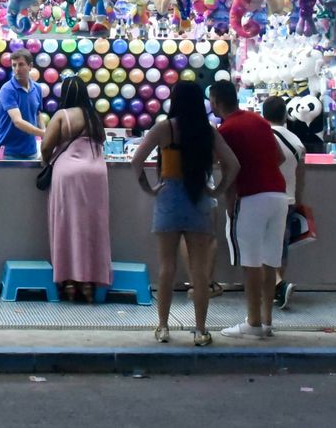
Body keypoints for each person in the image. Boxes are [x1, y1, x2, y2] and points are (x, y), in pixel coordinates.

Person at [131, 81, 239, 346]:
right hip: (198, 199)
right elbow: (233, 164)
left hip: (168, 198)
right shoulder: (207, 130)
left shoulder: (164, 128)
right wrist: (217, 190)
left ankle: (163, 327)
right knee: (199, 270)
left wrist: (149, 188)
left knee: (166, 267)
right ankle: (200, 331)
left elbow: (137, 160)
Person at [210, 80, 286, 340]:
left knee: (250, 262)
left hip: (251, 197)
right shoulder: (260, 121)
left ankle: (253, 323)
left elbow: (229, 169)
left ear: (216, 102)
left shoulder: (225, 130)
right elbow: (280, 157)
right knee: (270, 261)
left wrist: (228, 200)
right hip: (278, 195)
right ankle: (266, 321)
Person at [41, 76, 111, 302]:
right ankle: (90, 282)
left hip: (68, 174)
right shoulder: (94, 118)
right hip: (97, 174)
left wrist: (47, 161)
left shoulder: (61, 116)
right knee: (93, 225)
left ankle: (69, 281)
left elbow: (46, 147)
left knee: (67, 225)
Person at [262, 96, 307, 311]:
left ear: (264, 114)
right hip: (288, 198)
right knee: (281, 247)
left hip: (264, 196)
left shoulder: (262, 136)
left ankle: (277, 286)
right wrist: (299, 198)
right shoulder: (297, 141)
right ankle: (277, 289)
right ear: (285, 115)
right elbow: (301, 176)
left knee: (263, 246)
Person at [0, 48, 48, 159]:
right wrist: (44, 134)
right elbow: (18, 122)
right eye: (14, 65)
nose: (17, 69)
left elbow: (37, 114)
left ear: (30, 66)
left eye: (21, 64)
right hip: (9, 153)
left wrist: (44, 131)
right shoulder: (7, 89)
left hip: (31, 151)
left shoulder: (37, 88)